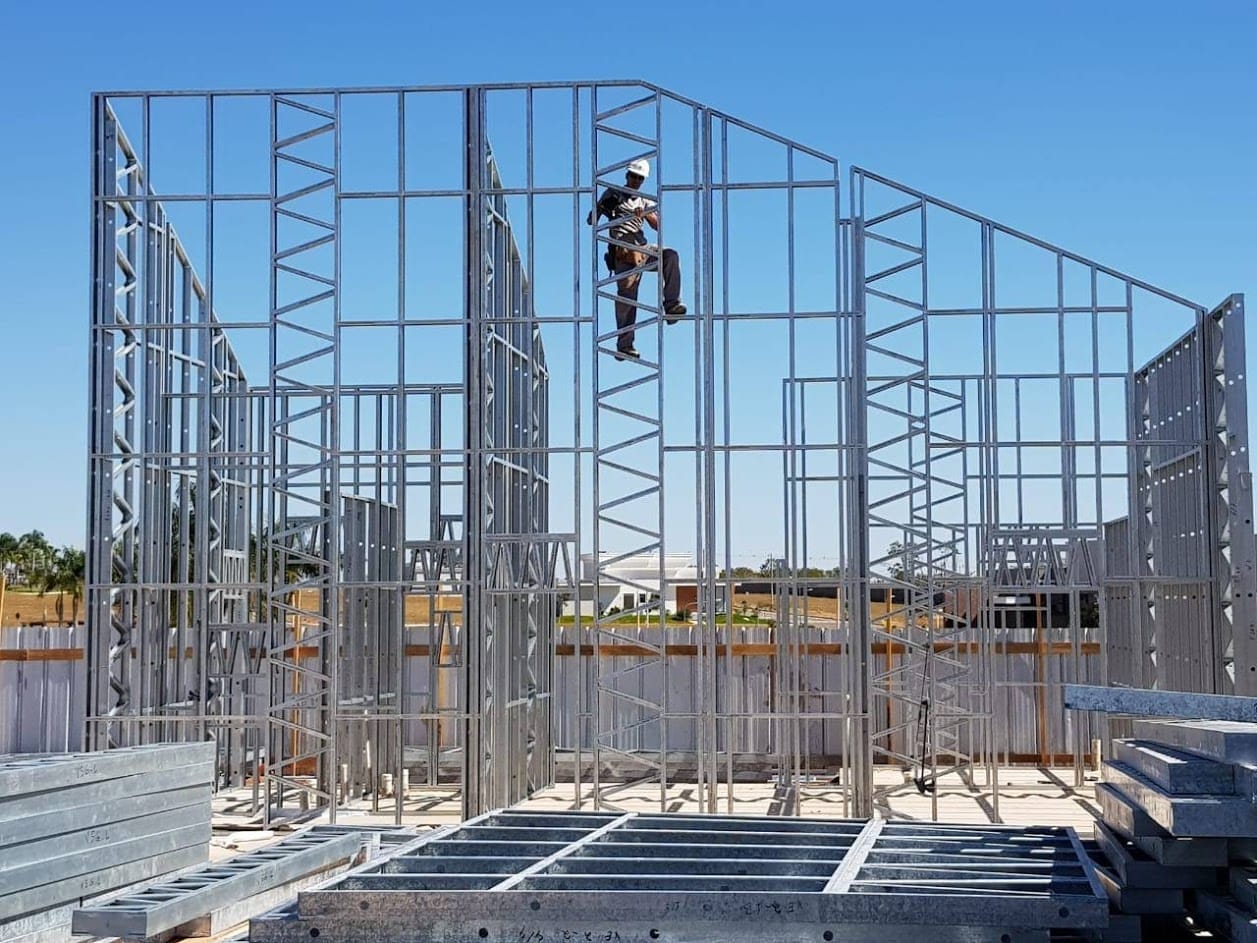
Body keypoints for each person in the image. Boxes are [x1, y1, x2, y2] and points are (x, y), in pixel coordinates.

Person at [587, 159, 686, 360]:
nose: (636, 181)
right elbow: (591, 220)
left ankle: (671, 305)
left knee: (670, 256)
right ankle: (625, 345)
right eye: (633, 176)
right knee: (627, 298)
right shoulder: (613, 193)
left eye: (640, 178)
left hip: (641, 249)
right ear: (627, 175)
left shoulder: (643, 200)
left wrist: (646, 215)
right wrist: (603, 208)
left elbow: (657, 225)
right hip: (623, 252)